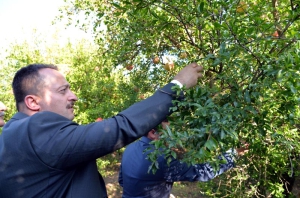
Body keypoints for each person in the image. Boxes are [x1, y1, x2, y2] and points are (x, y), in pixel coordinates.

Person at [0, 63, 203, 198]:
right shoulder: (34, 130)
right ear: (33, 102)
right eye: (63, 91)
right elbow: (119, 127)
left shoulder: (12, 135)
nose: (74, 97)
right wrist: (177, 86)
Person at [118, 119, 248, 198]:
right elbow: (203, 172)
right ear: (152, 133)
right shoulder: (162, 158)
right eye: (167, 133)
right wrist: (233, 153)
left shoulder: (130, 148)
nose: (171, 138)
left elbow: (123, 181)